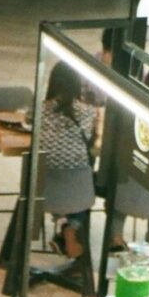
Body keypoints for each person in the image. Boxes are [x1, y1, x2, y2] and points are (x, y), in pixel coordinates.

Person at [39, 60, 98, 268]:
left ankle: (63, 226)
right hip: (78, 192)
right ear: (77, 85)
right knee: (84, 177)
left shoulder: (40, 110)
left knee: (54, 172)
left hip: (43, 192)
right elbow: (92, 138)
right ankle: (70, 226)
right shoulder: (89, 112)